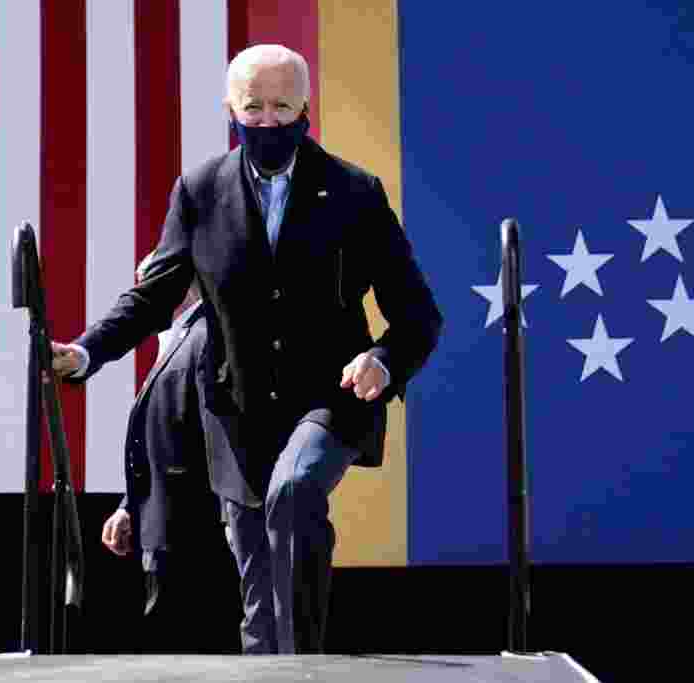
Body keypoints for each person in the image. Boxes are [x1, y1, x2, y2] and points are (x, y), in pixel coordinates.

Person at [53, 44, 443, 654]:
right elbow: (155, 299)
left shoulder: (354, 192)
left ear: (306, 109)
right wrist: (87, 351)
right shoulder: (200, 190)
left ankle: (308, 665)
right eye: (253, 108)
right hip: (236, 414)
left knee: (295, 489)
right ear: (231, 111)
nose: (267, 121)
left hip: (329, 399)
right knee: (260, 597)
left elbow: (419, 315)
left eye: (282, 107)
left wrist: (385, 359)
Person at [96, 253, 226, 635]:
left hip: (192, 539)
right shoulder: (177, 337)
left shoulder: (208, 336)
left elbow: (215, 441)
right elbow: (162, 438)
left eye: (149, 281)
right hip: (162, 532)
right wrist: (130, 507)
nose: (141, 293)